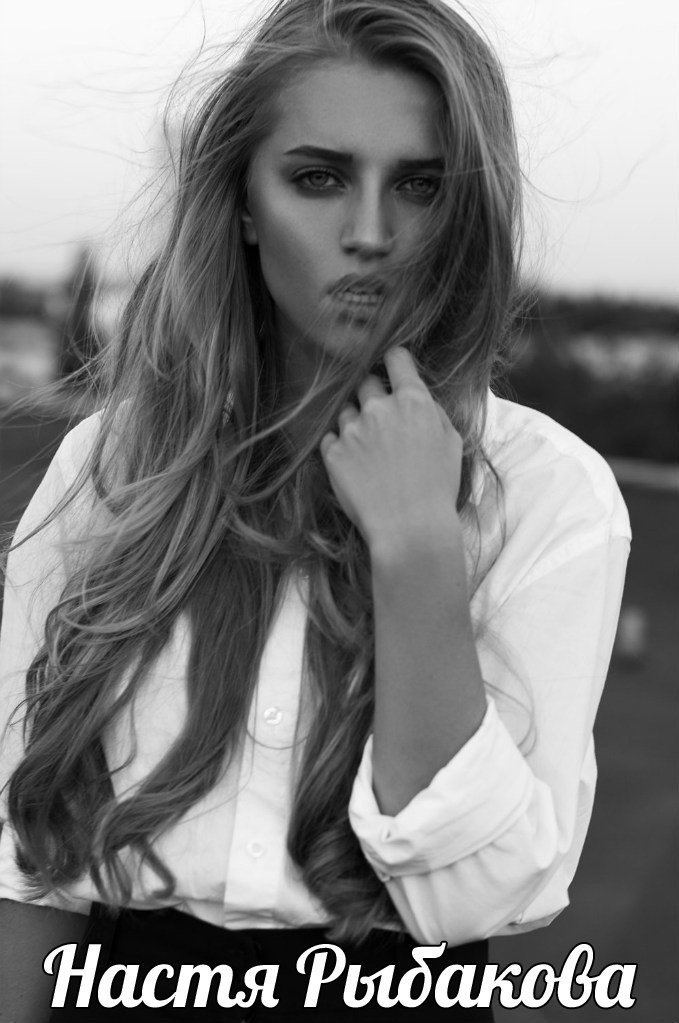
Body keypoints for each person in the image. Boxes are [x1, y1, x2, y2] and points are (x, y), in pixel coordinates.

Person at [0, 0, 631, 1019]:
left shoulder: (548, 491)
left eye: (420, 186)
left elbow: (477, 899)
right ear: (243, 203)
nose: (371, 234)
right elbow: (32, 861)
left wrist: (417, 546)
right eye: (318, 178)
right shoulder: (112, 466)